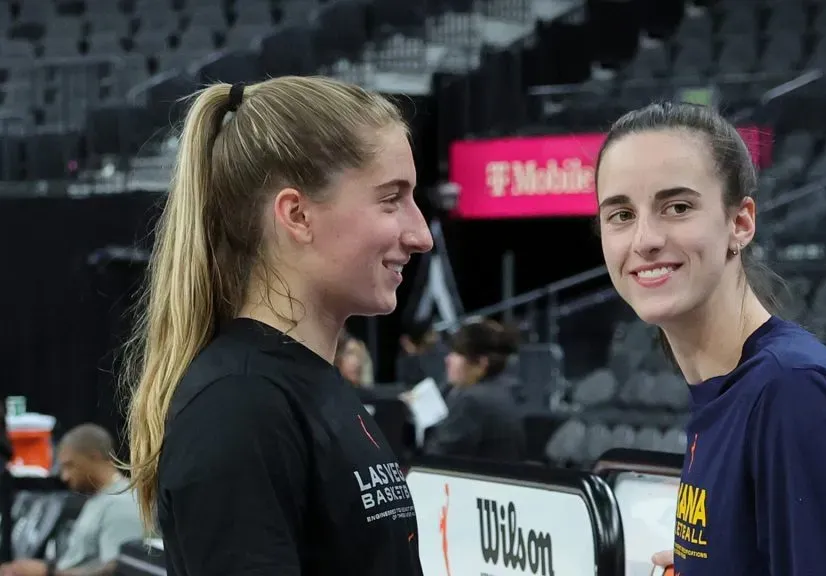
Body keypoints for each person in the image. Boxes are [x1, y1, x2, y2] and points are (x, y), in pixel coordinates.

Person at [121, 77, 433, 576]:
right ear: (297, 214)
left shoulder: (302, 384)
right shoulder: (239, 406)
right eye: (391, 199)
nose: (421, 235)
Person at [594, 102, 826, 576]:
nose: (644, 239)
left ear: (740, 223)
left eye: (677, 207)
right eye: (620, 214)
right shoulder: (728, 385)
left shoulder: (793, 391)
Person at [0, 424, 144, 576]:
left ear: (94, 457)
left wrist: (48, 572)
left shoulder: (122, 503)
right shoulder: (100, 499)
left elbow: (118, 571)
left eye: (69, 465)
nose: (64, 477)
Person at [421, 319, 526, 462]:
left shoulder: (471, 401)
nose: (448, 359)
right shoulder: (505, 391)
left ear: (481, 363)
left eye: (458, 353)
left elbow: (435, 459)